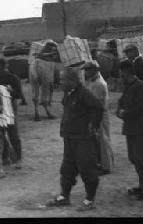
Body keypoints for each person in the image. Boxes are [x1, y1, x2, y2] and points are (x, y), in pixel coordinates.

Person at [46, 67, 104, 211]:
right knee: (67, 168)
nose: (60, 82)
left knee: (87, 168)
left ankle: (89, 200)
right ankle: (64, 196)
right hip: (69, 137)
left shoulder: (84, 93)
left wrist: (93, 125)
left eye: (63, 79)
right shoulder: (68, 93)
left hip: (83, 138)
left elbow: (98, 107)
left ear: (72, 80)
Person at [117, 60, 143, 200]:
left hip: (142, 129)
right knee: (133, 158)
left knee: (141, 159)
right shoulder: (128, 86)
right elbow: (121, 103)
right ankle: (142, 184)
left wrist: (124, 113)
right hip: (131, 129)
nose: (120, 75)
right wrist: (119, 111)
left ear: (127, 72)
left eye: (121, 72)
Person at [123, 44, 143, 159]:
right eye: (126, 53)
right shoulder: (138, 62)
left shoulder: (141, 64)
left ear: (136, 51)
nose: (127, 55)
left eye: (129, 52)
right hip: (141, 96)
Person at [82, 60, 115, 174]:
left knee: (103, 140)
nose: (85, 72)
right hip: (96, 114)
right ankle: (102, 164)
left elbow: (96, 104)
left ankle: (106, 167)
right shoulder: (93, 81)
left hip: (100, 114)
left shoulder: (99, 84)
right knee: (99, 140)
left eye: (87, 70)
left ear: (94, 70)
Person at [0, 56, 23, 169]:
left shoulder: (13, 78)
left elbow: (18, 95)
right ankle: (7, 157)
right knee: (1, 134)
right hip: (0, 108)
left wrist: (11, 91)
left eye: (0, 66)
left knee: (13, 134)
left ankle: (18, 159)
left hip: (10, 108)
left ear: (5, 66)